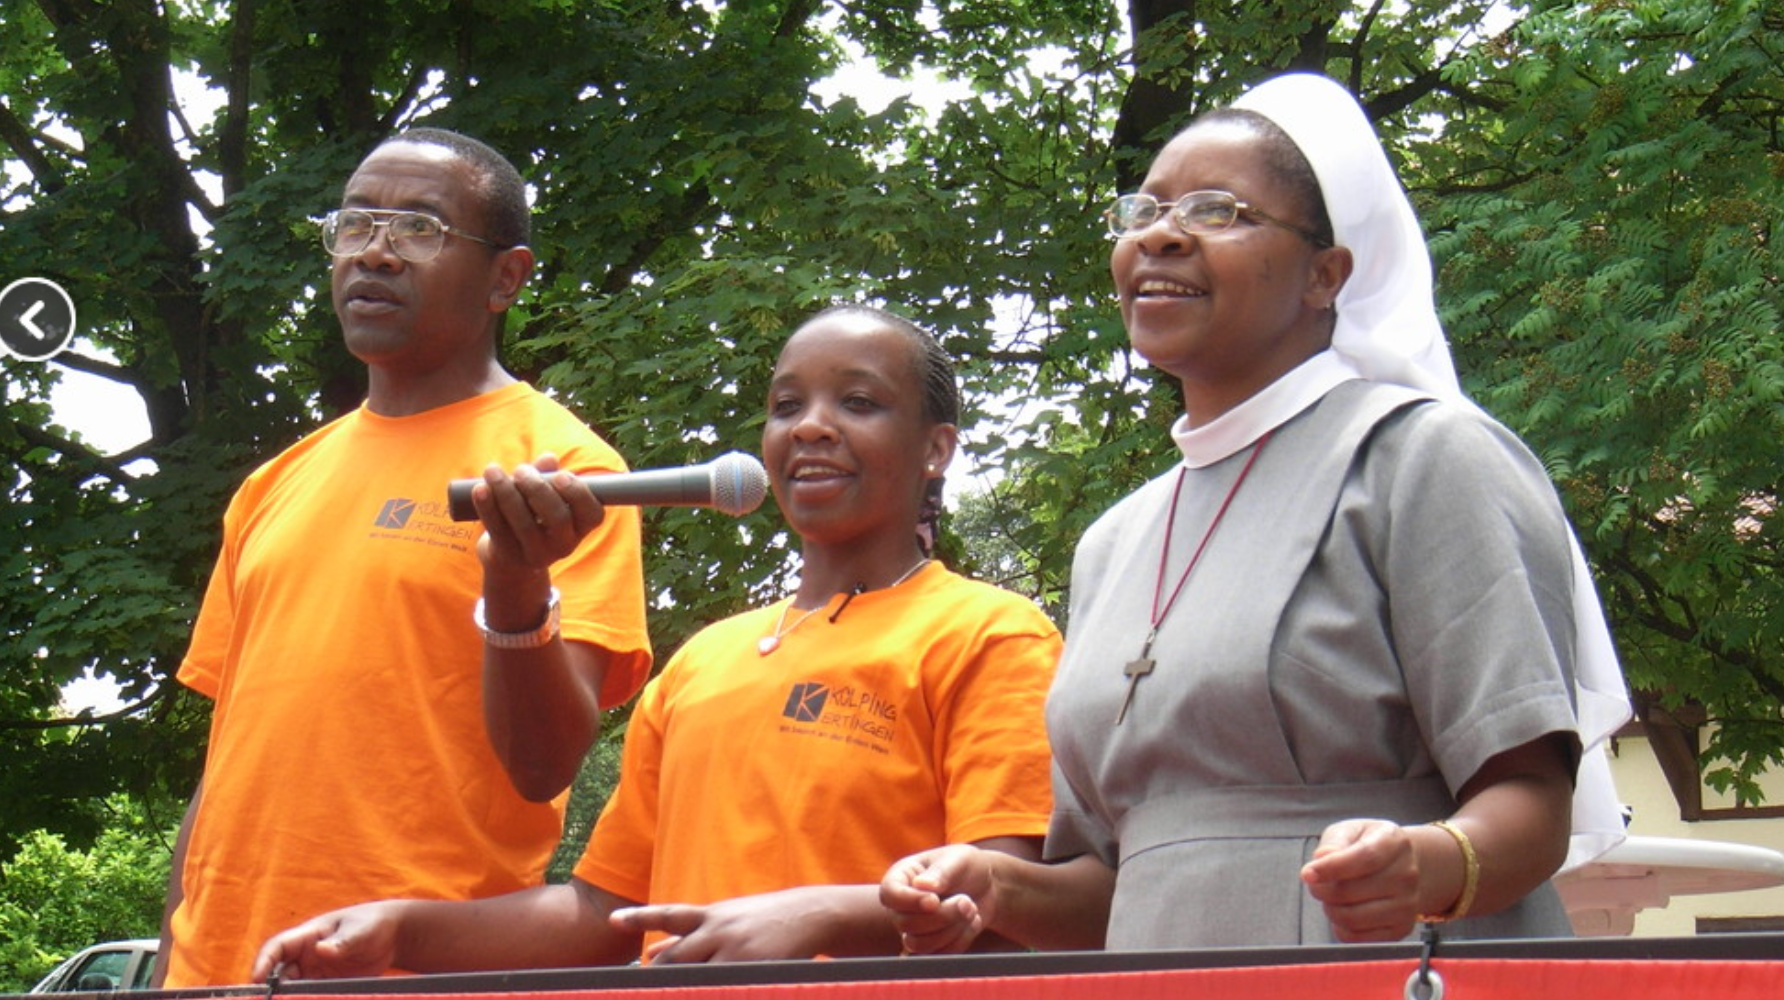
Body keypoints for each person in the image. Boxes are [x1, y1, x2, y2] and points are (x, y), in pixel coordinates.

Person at [880, 72, 1632, 951]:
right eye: (1142, 211)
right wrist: (993, 884)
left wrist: (1425, 863)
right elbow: (1123, 879)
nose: (1160, 234)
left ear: (1325, 274)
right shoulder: (1112, 543)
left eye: (1218, 211)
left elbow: (1532, 800)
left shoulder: (1421, 457)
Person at [247, 304, 1063, 977]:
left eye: (858, 403)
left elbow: (1000, 908)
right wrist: (401, 930)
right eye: (787, 406)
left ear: (935, 448)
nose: (812, 427)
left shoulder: (989, 634)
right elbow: (602, 913)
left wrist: (815, 916)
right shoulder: (705, 660)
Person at [157, 128, 654, 986]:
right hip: (219, 974)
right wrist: (173, 967)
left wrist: (516, 584)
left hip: (407, 974)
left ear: (506, 277)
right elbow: (228, 768)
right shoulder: (275, 483)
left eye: (420, 228)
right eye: (355, 224)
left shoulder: (567, 474)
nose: (375, 253)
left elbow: (542, 767)